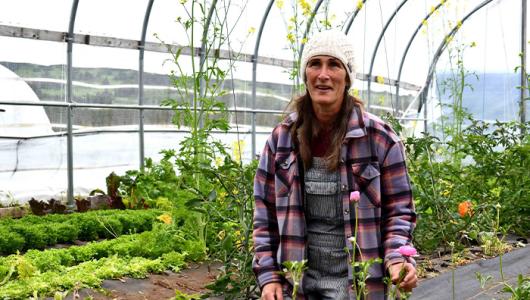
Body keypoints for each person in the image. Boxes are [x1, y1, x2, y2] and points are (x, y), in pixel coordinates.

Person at [252, 30, 417, 300]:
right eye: (315, 64)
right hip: (298, 287)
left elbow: (399, 212)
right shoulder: (281, 140)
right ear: (305, 74)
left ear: (347, 77)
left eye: (334, 65)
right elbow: (264, 218)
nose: (323, 74)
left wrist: (398, 259)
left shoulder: (380, 140)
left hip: (359, 286)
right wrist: (269, 277)